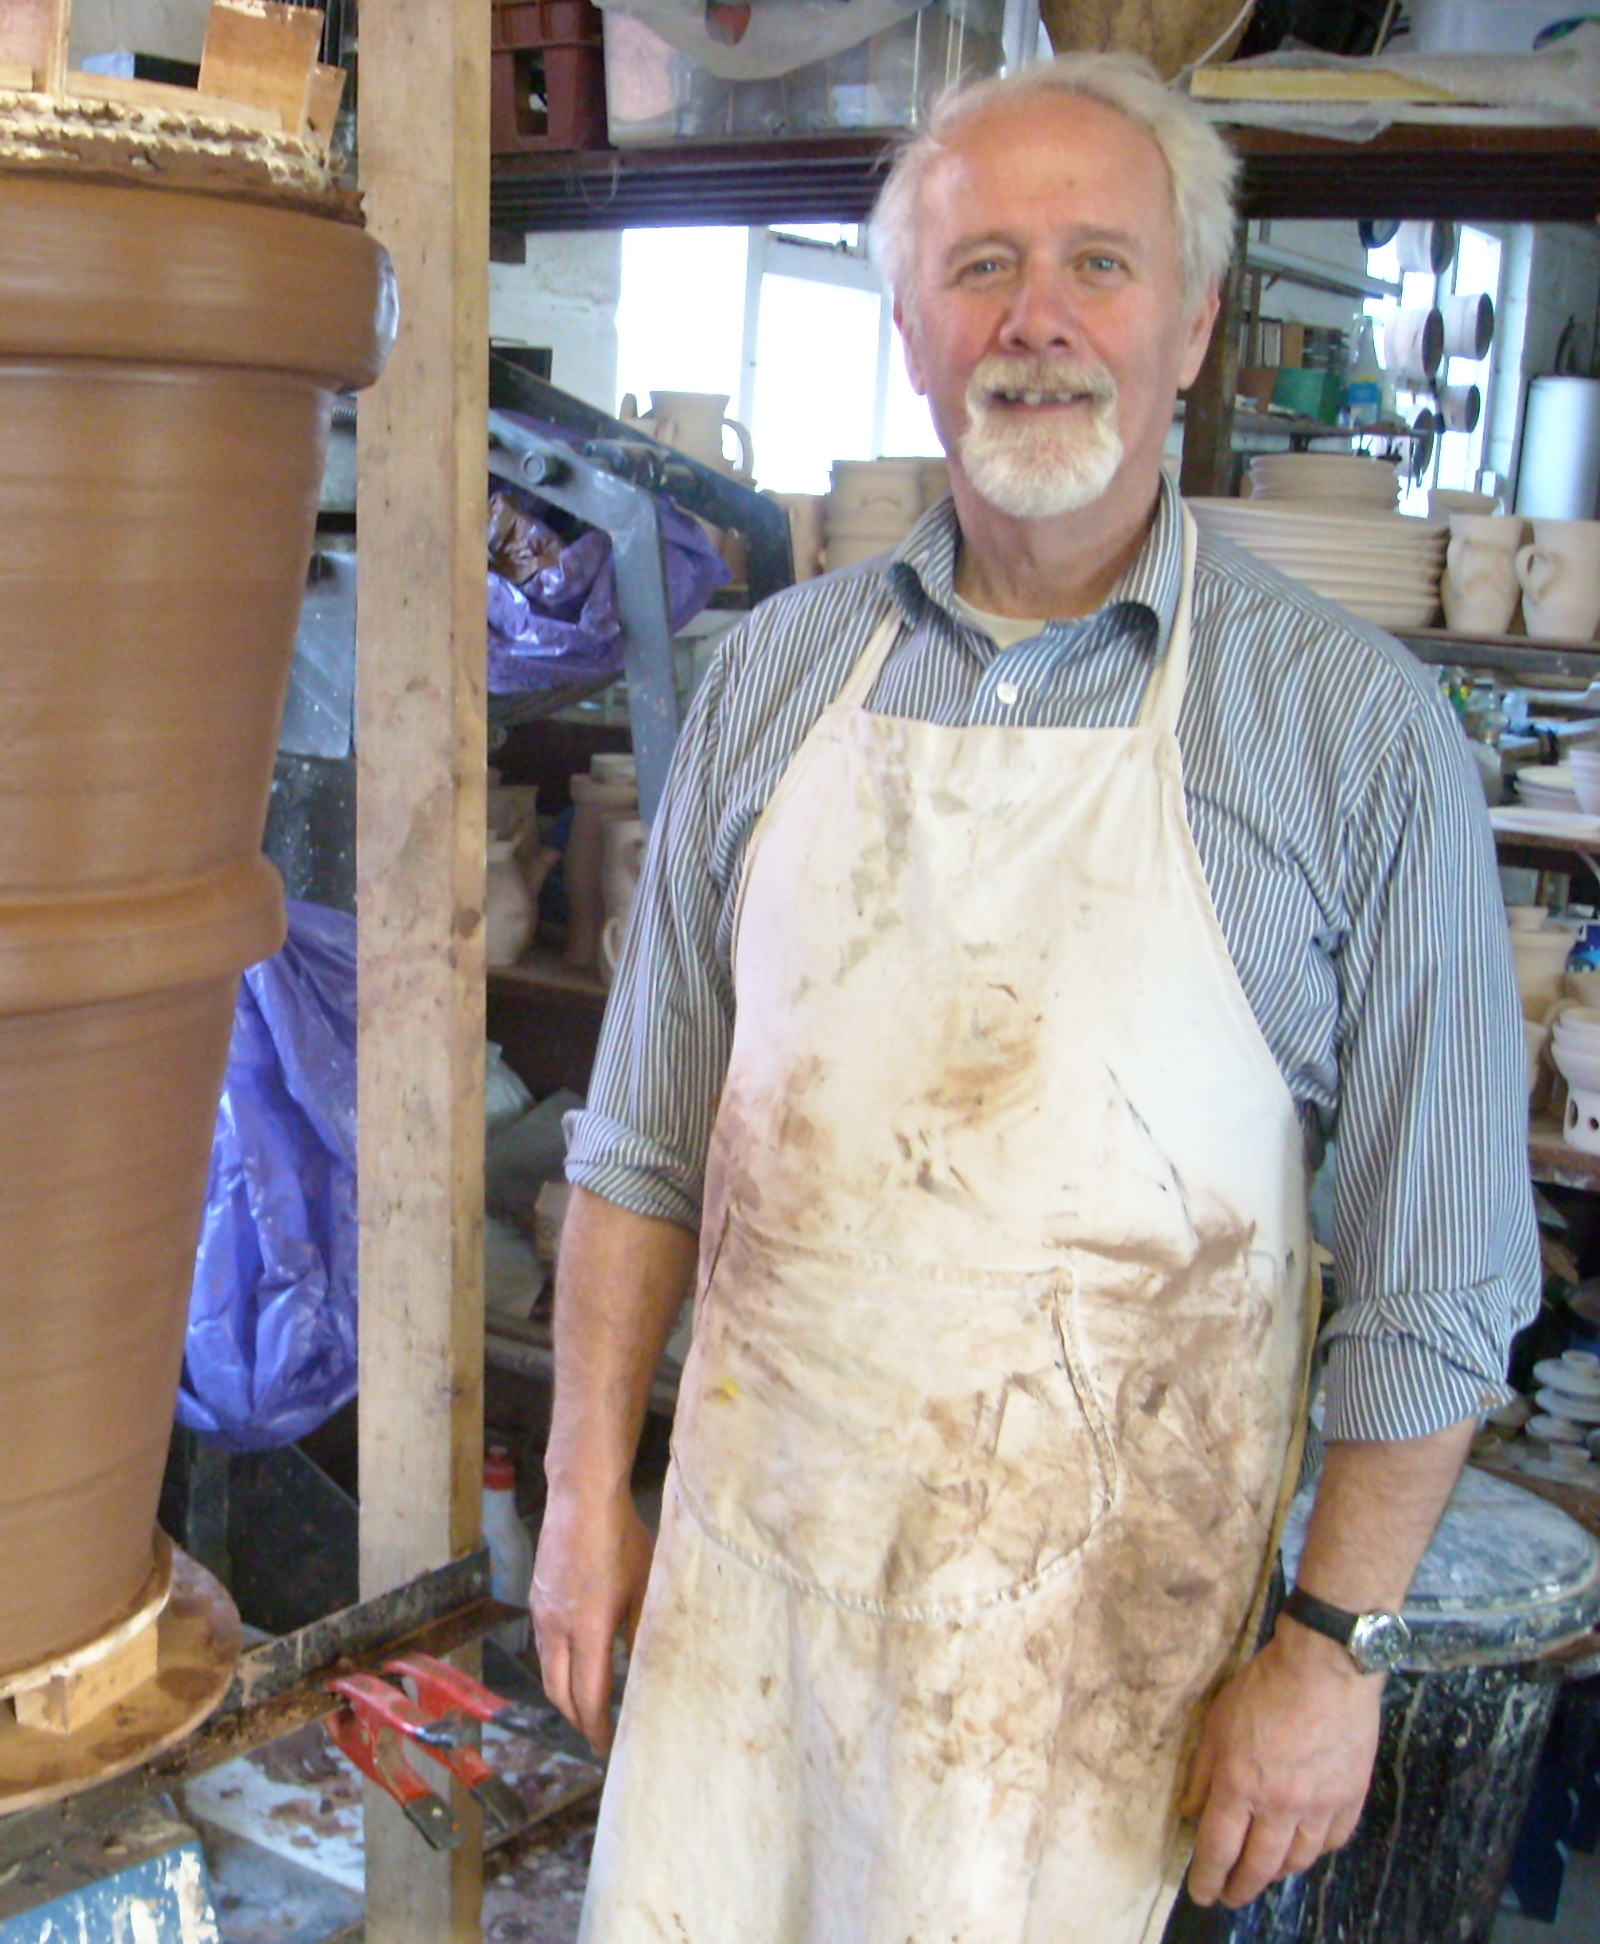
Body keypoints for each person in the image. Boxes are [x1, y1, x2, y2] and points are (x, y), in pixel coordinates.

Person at [532, 53, 1537, 1944]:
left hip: (1096, 1681)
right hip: (755, 1614)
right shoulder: (771, 681)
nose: (1038, 321)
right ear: (911, 327)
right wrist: (588, 1493)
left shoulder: (1353, 734)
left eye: (1099, 263)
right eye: (980, 265)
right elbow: (642, 1145)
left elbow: (1446, 1270)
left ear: (1194, 325)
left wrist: (1334, 1649)